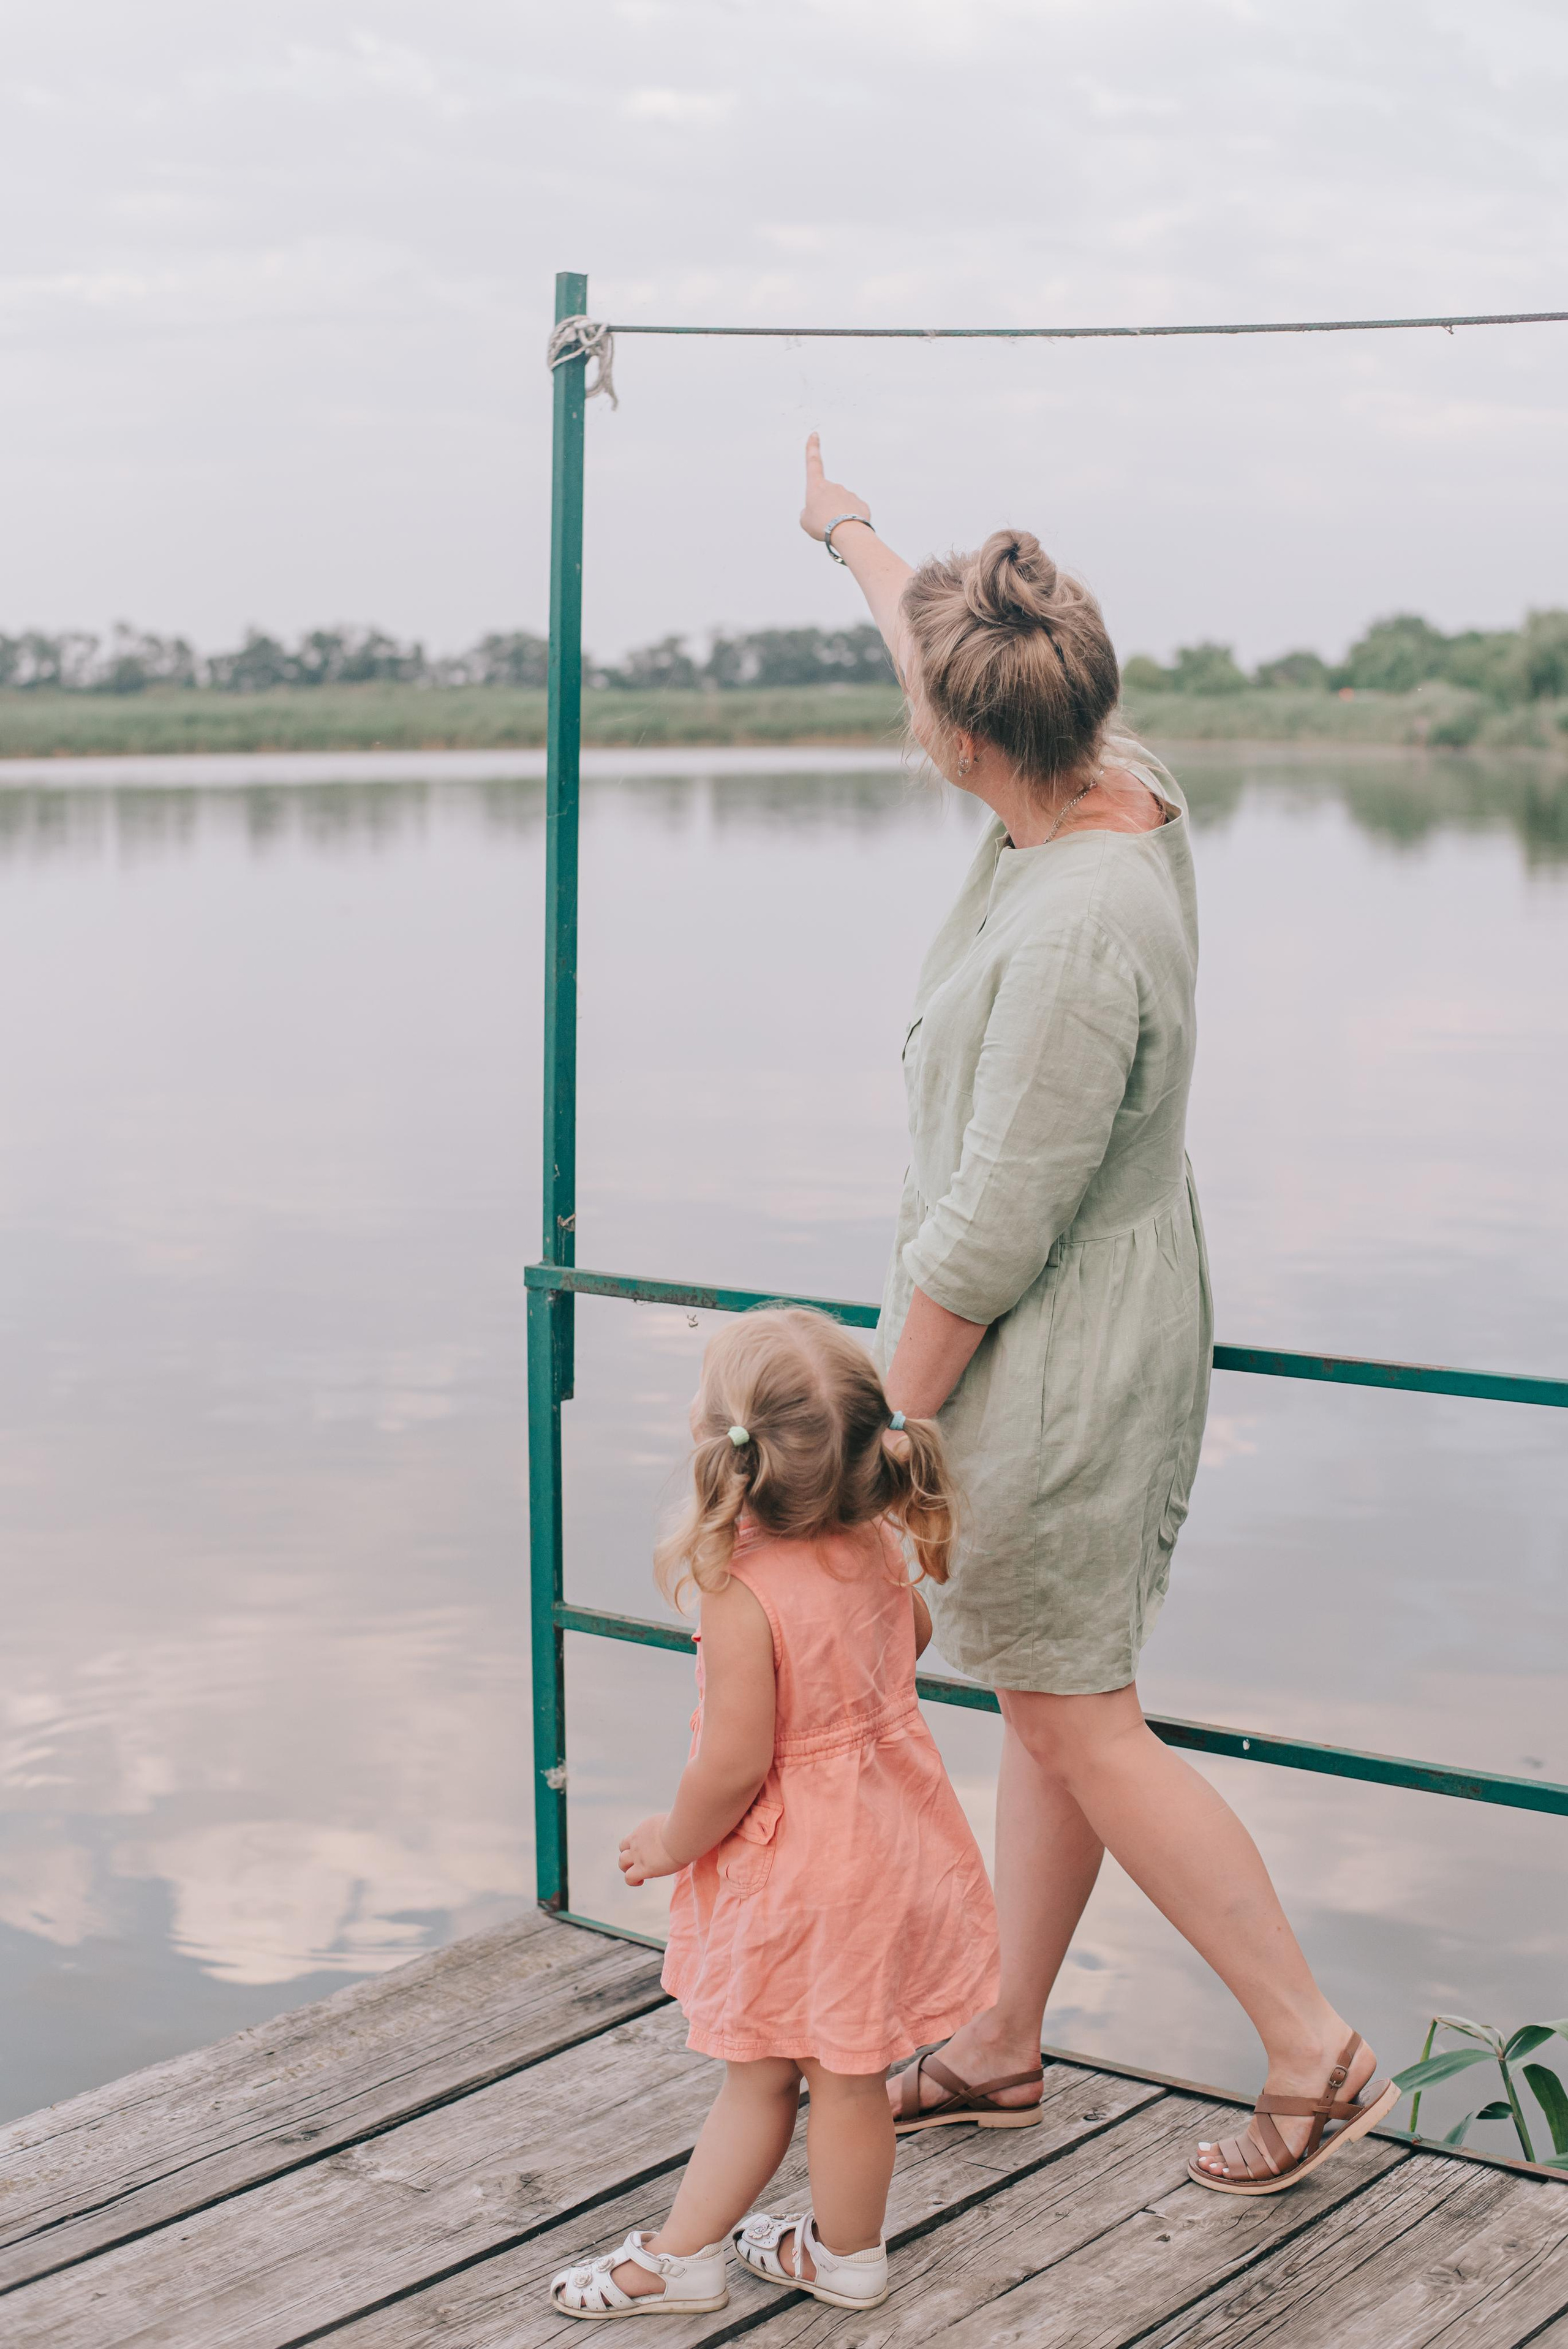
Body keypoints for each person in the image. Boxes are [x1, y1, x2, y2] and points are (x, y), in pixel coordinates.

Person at [798, 437, 1396, 2196]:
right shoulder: (1103, 776)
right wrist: (846, 531)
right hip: (1092, 1323)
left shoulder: (1072, 926)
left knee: (1076, 1716)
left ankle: (1310, 2043)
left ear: (973, 745)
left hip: (1053, 1360)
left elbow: (986, 1239)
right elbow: (945, 659)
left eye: (936, 716)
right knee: (1054, 1690)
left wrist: (869, 1444)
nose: (925, 727)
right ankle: (998, 2042)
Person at [549, 1307, 1001, 2321]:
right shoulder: (879, 1542)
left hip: (797, 1869)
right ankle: (846, 2256)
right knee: (849, 2075)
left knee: (758, 2077)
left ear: (729, 1449)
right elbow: (910, 1640)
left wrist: (671, 1840)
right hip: (891, 1842)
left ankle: (680, 2259)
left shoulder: (740, 1585)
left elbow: (735, 1762)